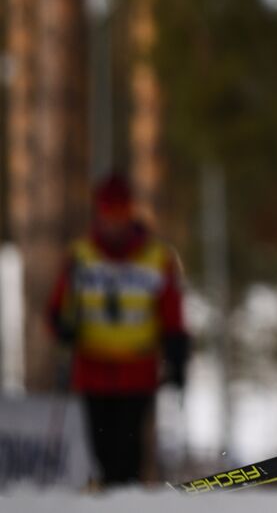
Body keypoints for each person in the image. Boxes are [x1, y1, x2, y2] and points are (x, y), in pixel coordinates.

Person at [46, 173, 189, 486]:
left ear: (130, 212)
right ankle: (109, 497)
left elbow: (172, 312)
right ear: (99, 214)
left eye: (120, 214)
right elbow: (58, 308)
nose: (115, 223)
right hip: (93, 369)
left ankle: (128, 499)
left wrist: (177, 354)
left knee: (130, 452)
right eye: (109, 215)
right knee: (101, 450)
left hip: (138, 371)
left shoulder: (155, 257)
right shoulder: (81, 256)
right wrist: (63, 328)